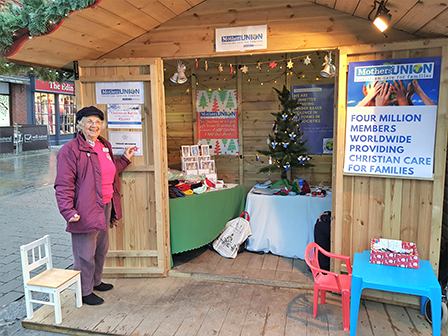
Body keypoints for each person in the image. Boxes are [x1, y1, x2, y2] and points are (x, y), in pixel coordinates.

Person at [54, 106, 135, 306]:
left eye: (98, 122)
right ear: (79, 124)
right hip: (85, 209)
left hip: (106, 204)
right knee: (84, 253)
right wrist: (67, 210)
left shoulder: (103, 145)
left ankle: (95, 282)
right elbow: (64, 184)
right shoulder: (70, 150)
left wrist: (124, 159)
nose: (94, 125)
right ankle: (84, 291)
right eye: (89, 121)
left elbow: (108, 170)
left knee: (101, 248)